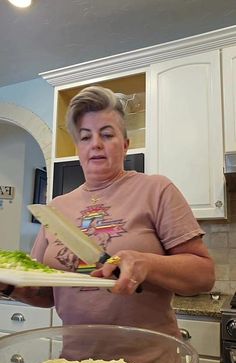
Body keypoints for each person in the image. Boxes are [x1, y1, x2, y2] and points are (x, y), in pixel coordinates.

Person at [0, 85, 215, 339]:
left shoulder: (156, 190)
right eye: (86, 137)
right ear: (78, 148)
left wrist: (146, 264)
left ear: (125, 145)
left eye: (107, 134)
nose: (96, 144)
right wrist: (9, 286)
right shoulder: (56, 208)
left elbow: (204, 276)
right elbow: (46, 293)